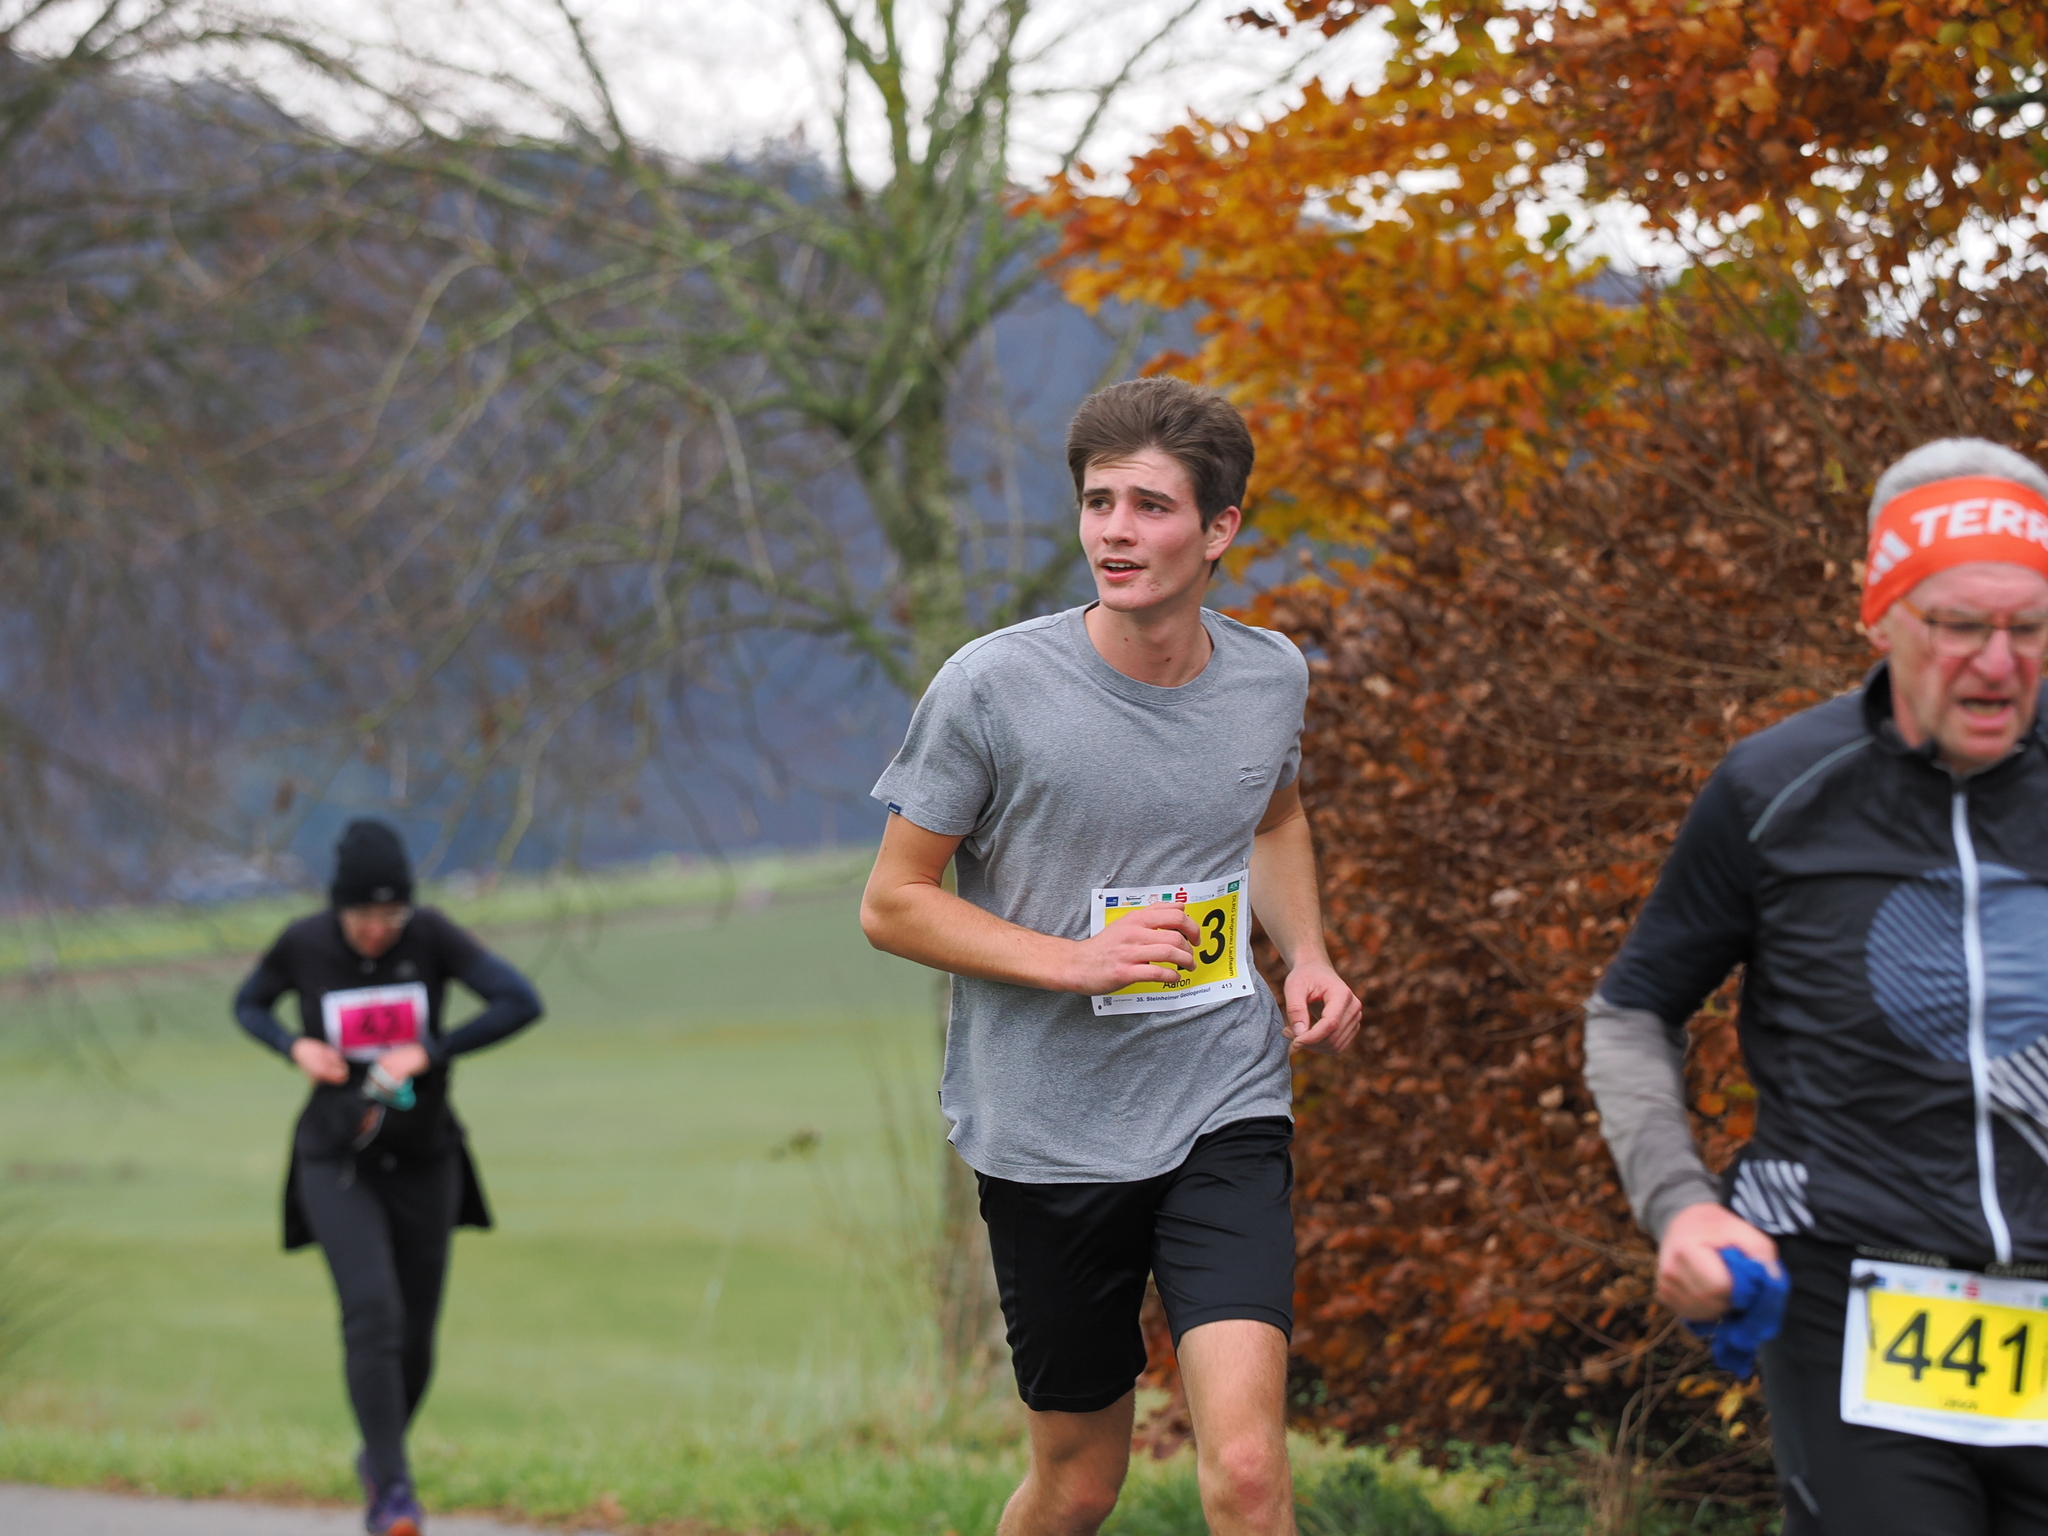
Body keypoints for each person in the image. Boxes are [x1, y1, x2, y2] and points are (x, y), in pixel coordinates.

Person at [861, 377, 1362, 1536]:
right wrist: (1074, 961)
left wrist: (1307, 955)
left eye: (1149, 506)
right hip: (1048, 1132)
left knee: (1247, 1472)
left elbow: (1273, 817)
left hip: (1221, 1097)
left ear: (1219, 529)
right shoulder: (991, 690)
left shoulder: (1268, 677)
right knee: (1080, 1485)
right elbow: (892, 904)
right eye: (1098, 503)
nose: (1114, 533)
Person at [1583, 438, 2048, 1534]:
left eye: (2028, 628)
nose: (1997, 663)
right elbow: (1631, 1010)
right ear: (1882, 617)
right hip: (1853, 1291)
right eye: (1958, 626)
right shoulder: (1775, 788)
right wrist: (1682, 1208)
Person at [233, 820, 542, 1536]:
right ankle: (394, 1495)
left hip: (426, 1159)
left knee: (416, 1337)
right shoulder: (303, 944)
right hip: (335, 1160)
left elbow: (520, 1001)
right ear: (338, 909)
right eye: (363, 918)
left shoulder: (431, 937)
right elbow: (247, 1004)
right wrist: (293, 1045)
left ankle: (377, 1458)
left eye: (390, 916)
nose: (377, 931)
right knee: (372, 1313)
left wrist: (432, 1050)